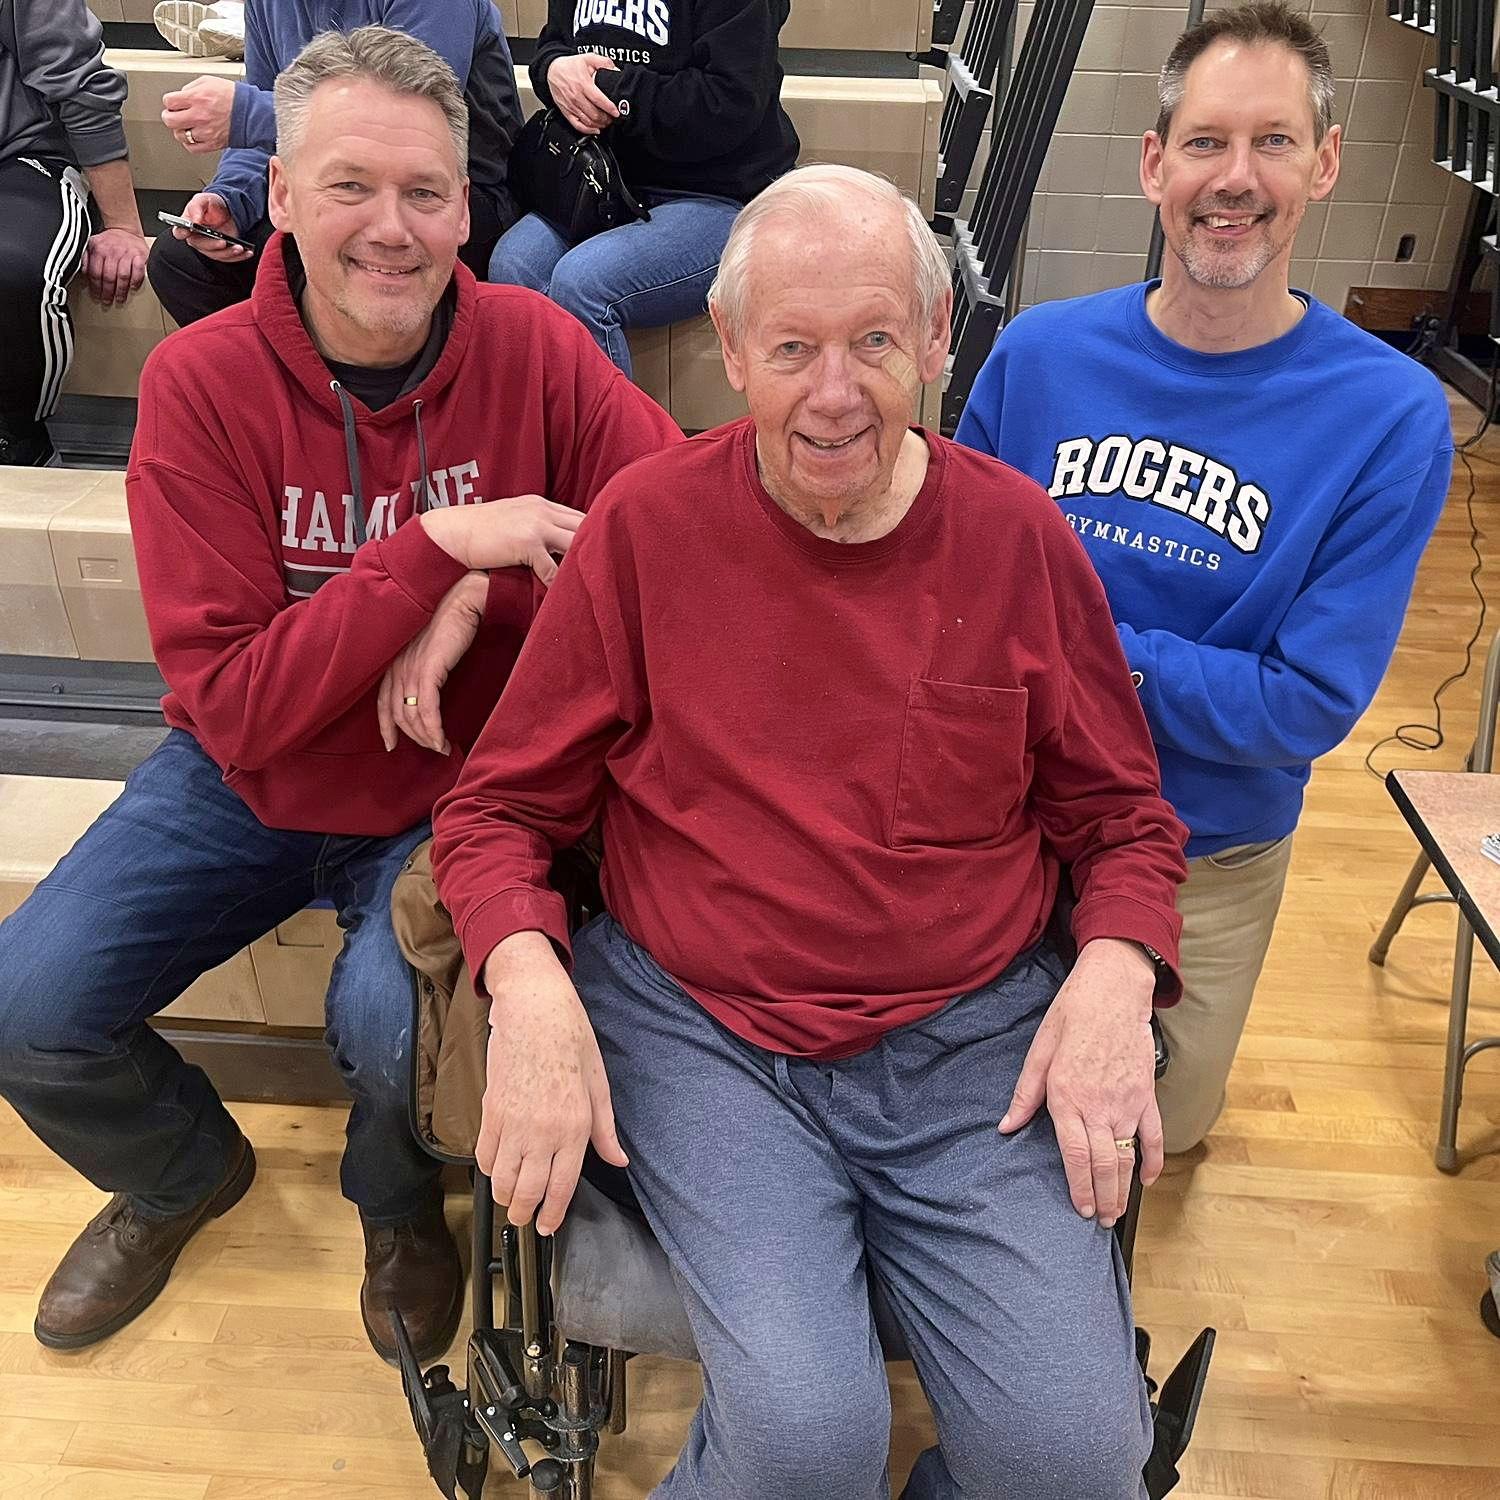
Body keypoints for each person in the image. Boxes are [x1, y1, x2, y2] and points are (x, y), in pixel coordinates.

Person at [434, 164, 1189, 1499]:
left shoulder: (1020, 544)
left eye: (874, 342)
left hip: (970, 1046)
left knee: (1077, 1463)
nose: (833, 393)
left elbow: (1124, 820)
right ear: (730, 353)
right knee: (805, 1446)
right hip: (709, 1036)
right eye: (791, 348)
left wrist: (1121, 971)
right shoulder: (649, 531)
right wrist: (529, 978)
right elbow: (498, 809)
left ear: (939, 341)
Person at [0, 25, 679, 1364]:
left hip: (453, 787)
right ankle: (183, 1171)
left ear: (465, 206)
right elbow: (242, 707)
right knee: (30, 1010)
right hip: (250, 776)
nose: (392, 228)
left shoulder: (537, 348)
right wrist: (432, 550)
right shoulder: (197, 390)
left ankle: (394, 1207)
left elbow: (678, 542)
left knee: (385, 1025)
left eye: (425, 192)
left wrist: (481, 596)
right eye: (350, 187)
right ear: (284, 198)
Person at [955, 1, 1453, 1155]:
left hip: (1203, 848)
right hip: (1008, 817)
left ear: (1325, 164)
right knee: (980, 1124)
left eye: (1274, 141)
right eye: (1206, 143)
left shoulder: (1388, 416)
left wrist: (1081, 648)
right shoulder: (1040, 354)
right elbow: (949, 589)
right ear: (1154, 163)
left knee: (1150, 1139)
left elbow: (1301, 706)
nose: (1236, 179)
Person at [147, 0, 523, 326]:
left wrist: (246, 114)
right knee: (180, 260)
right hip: (336, 185)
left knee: (307, 256)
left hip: (446, 194)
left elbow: (404, 120)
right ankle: (281, 399)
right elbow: (269, 137)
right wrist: (230, 200)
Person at [489, 0, 799, 378]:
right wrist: (554, 70)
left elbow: (728, 102)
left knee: (584, 284)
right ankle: (550, 431)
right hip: (608, 185)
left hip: (719, 194)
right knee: (513, 265)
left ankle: (615, 436)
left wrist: (610, 89)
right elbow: (553, 47)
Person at [0, 0, 149, 465]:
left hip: (19, 156)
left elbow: (79, 82)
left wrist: (124, 224)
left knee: (14, 271)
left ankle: (18, 435)